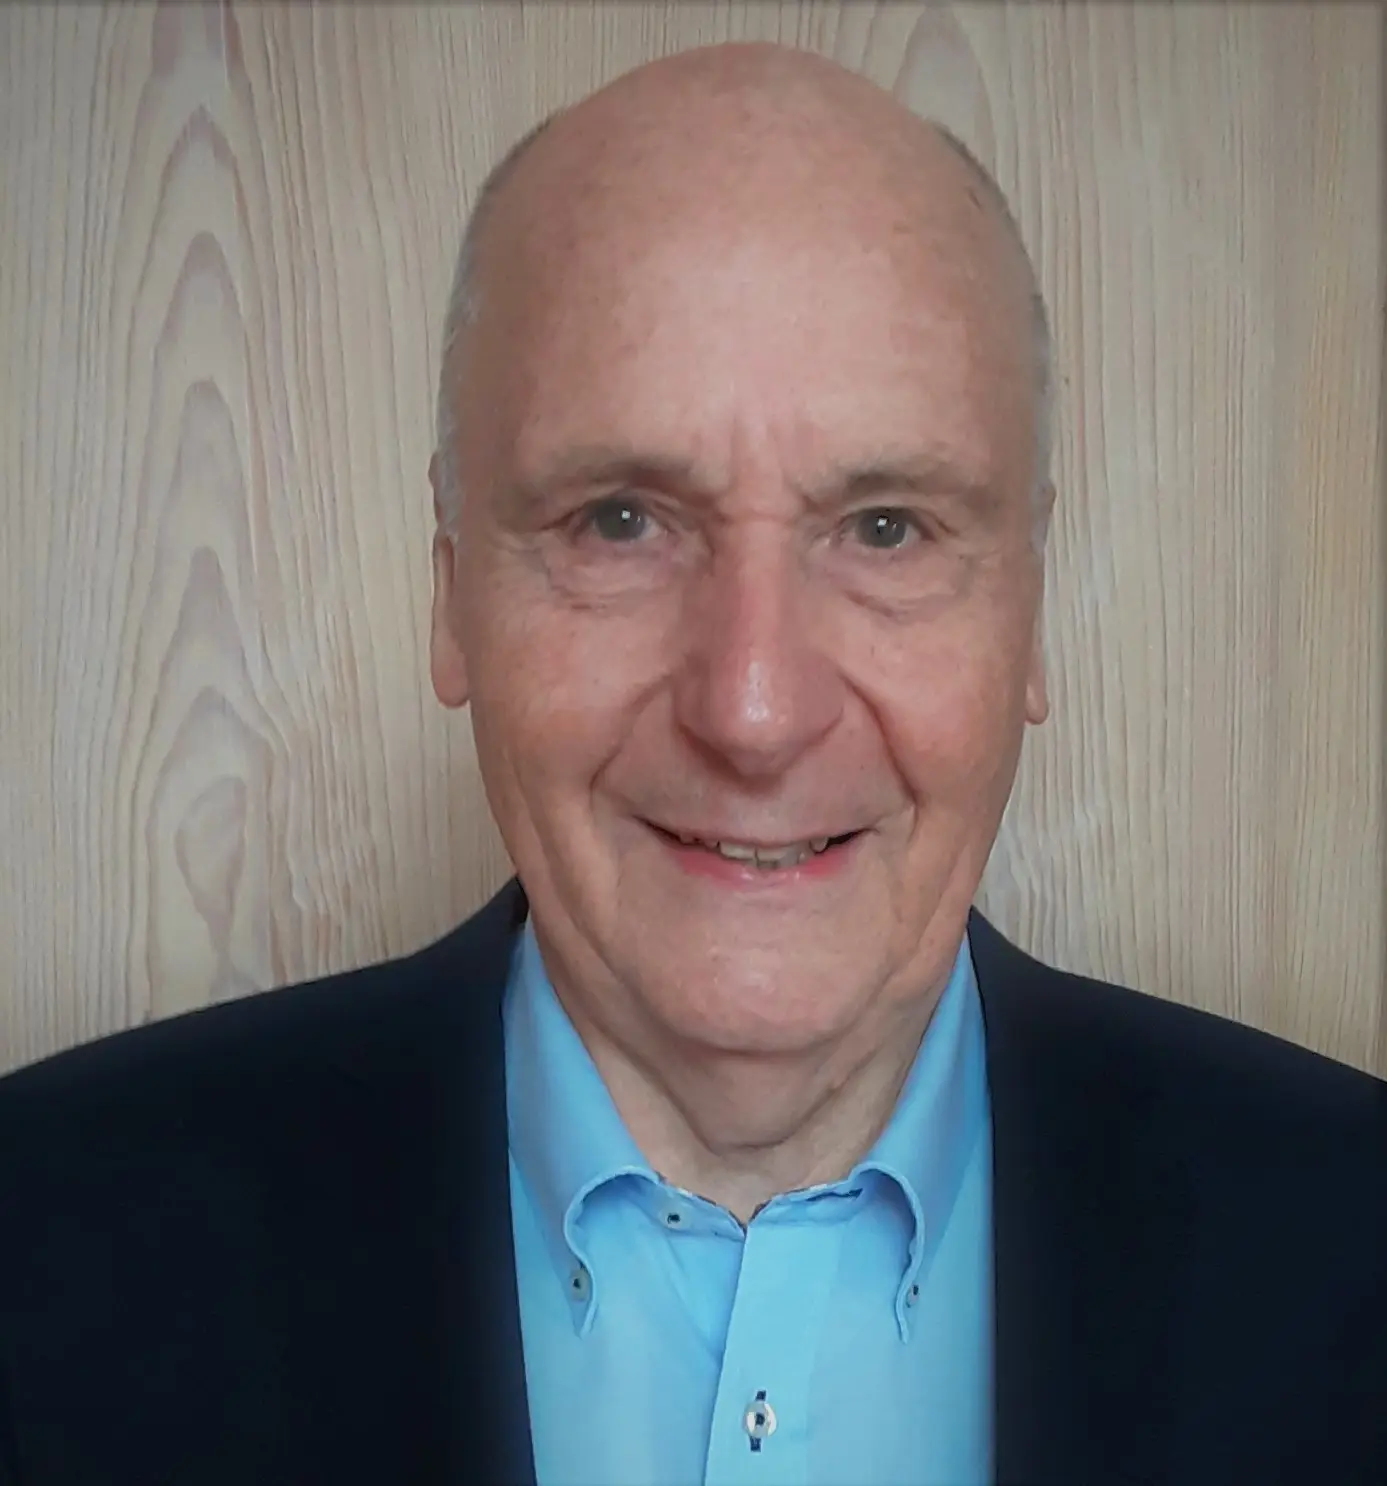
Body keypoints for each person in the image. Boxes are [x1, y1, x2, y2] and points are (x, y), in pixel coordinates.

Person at [0, 40, 1382, 1486]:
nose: (753, 708)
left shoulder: (1356, 1245)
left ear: (1026, 613)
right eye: (619, 521)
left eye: (886, 528)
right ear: (451, 592)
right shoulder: (41, 1252)